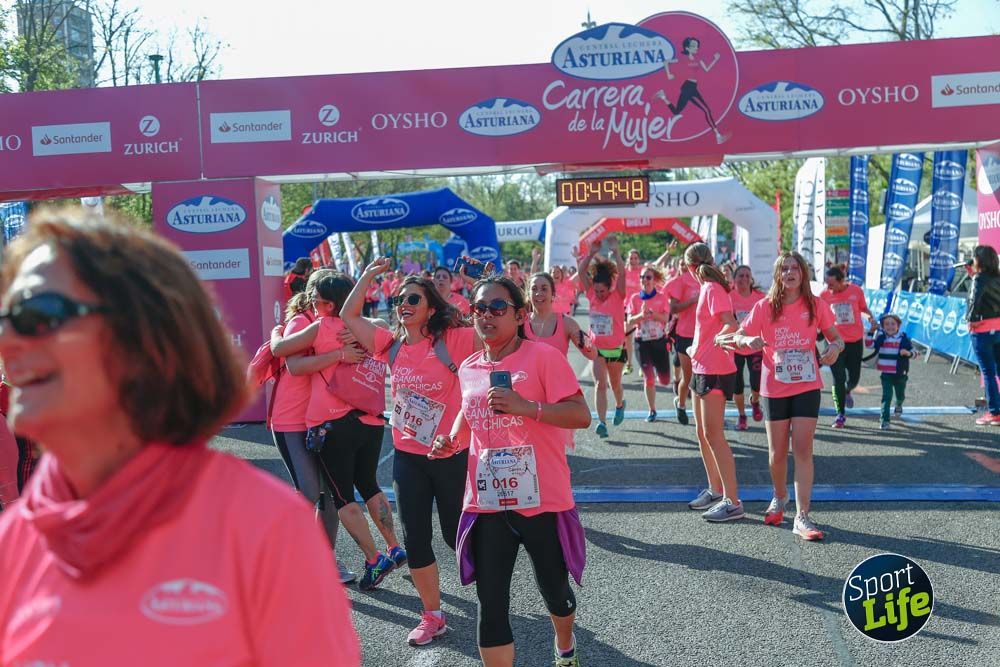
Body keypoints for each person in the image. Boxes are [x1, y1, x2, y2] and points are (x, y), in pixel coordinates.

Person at [0, 211, 360, 664]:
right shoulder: (18, 537)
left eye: (38, 313)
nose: (8, 337)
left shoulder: (262, 527)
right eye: (5, 314)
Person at [430, 275, 591, 667]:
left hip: (543, 499)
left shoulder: (543, 358)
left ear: (519, 315)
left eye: (497, 307)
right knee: (492, 602)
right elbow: (468, 418)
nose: (486, 315)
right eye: (479, 308)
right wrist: (451, 440)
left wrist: (527, 407)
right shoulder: (469, 367)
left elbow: (580, 415)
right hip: (488, 502)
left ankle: (565, 645)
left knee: (555, 591)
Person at [342, 258, 479, 646]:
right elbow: (349, 314)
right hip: (408, 455)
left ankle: (491, 585)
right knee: (415, 537)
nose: (403, 303)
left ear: (431, 308)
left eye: (413, 298)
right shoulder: (390, 344)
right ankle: (432, 615)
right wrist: (369, 275)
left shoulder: (453, 339)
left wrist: (483, 288)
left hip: (450, 453)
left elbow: (501, 336)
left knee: (456, 537)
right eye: (400, 298)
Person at [271, 273, 404, 591]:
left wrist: (277, 330)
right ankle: (395, 546)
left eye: (316, 299)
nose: (311, 303)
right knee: (369, 486)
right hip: (370, 421)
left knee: (342, 496)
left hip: (333, 424)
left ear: (330, 304)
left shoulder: (322, 325)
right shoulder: (369, 327)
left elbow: (282, 353)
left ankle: (374, 560)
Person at [718, 252, 844, 541]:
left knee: (802, 449)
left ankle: (802, 516)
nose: (790, 273)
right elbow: (738, 337)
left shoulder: (816, 305)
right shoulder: (764, 307)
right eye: (784, 268)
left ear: (803, 273)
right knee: (776, 455)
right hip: (774, 387)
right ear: (778, 275)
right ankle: (779, 495)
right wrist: (747, 340)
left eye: (795, 268)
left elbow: (836, 337)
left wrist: (835, 348)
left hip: (807, 385)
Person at [268, 268, 356, 584]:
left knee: (329, 494)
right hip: (291, 418)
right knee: (308, 492)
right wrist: (340, 353)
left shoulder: (334, 323)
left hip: (319, 418)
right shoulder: (302, 322)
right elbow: (292, 364)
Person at [683, 243, 743, 522]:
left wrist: (720, 338)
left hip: (714, 367)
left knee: (714, 435)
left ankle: (733, 502)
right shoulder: (709, 288)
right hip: (701, 366)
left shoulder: (712, 289)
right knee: (702, 433)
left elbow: (730, 322)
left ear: (691, 266)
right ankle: (716, 489)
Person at [578, 237, 627, 439]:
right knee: (600, 384)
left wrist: (616, 253)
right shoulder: (590, 294)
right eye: (596, 290)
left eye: (602, 291)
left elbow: (622, 273)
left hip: (615, 349)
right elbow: (582, 272)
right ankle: (602, 422)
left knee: (615, 384)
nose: (599, 294)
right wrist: (590, 253)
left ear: (610, 288)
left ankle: (619, 404)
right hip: (596, 348)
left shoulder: (618, 295)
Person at [820, 266, 875, 429]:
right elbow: (819, 316)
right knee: (838, 378)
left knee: (854, 378)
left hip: (854, 341)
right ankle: (840, 414)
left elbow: (863, 309)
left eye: (831, 285)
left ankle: (848, 390)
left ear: (841, 281)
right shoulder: (823, 296)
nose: (828, 288)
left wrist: (870, 318)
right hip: (834, 343)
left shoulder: (856, 291)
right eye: (826, 284)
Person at [653, 36, 728, 143]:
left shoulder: (698, 59)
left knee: (676, 111)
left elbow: (707, 69)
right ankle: (718, 135)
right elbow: (666, 62)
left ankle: (663, 96)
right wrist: (668, 74)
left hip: (692, 87)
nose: (696, 48)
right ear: (687, 48)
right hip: (688, 88)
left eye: (697, 46)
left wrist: (715, 60)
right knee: (706, 110)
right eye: (693, 46)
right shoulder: (682, 58)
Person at [626, 265, 672, 422]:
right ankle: (652, 410)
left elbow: (666, 319)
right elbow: (629, 322)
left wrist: (653, 314)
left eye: (648, 277)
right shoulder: (634, 299)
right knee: (649, 378)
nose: (645, 280)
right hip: (642, 342)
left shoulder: (661, 297)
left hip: (659, 341)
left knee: (665, 380)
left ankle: (660, 374)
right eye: (642, 277)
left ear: (654, 281)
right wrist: (640, 315)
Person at [525, 272, 597, 362]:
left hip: (558, 376)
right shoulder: (520, 323)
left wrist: (585, 341)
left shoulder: (567, 323)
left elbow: (593, 355)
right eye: (534, 289)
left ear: (553, 294)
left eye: (544, 289)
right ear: (528, 294)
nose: (538, 293)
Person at [966, 244, 1000, 426]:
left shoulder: (979, 278)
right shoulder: (996, 277)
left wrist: (970, 320)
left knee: (988, 373)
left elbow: (974, 299)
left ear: (979, 259)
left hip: (982, 330)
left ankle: (994, 413)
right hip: (998, 329)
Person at [729, 265, 766, 430]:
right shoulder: (728, 297)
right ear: (734, 279)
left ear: (751, 279)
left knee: (756, 381)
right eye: (740, 276)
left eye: (747, 276)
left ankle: (755, 401)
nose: (744, 279)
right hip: (735, 346)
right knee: (737, 385)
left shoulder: (759, 297)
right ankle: (742, 414)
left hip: (755, 345)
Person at [667, 254, 701, 425]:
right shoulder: (681, 281)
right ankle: (680, 404)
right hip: (686, 334)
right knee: (688, 378)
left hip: (705, 335)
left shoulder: (708, 279)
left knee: (703, 377)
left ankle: (703, 415)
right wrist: (693, 300)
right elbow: (673, 308)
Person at [866, 313, 913, 430]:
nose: (890, 326)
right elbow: (869, 344)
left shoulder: (903, 339)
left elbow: (915, 351)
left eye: (893, 324)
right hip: (886, 374)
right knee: (886, 397)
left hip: (900, 374)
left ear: (898, 326)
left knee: (900, 395)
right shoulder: (882, 338)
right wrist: (871, 331)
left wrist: (908, 353)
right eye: (886, 324)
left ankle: (898, 404)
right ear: (882, 326)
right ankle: (884, 420)